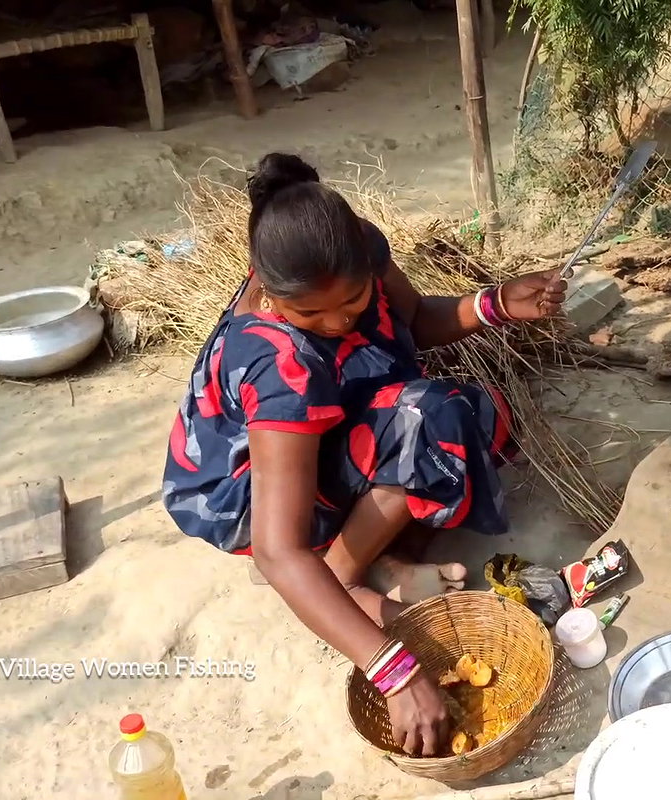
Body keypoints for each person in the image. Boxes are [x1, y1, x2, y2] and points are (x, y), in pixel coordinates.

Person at [160, 152, 565, 757]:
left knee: (473, 415)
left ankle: (366, 562)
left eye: (350, 301)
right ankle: (343, 579)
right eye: (310, 314)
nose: (336, 321)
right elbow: (278, 548)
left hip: (321, 435)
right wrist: (393, 671)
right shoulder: (279, 364)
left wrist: (497, 304)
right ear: (264, 289)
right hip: (247, 491)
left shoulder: (359, 254)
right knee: (427, 425)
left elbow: (413, 320)